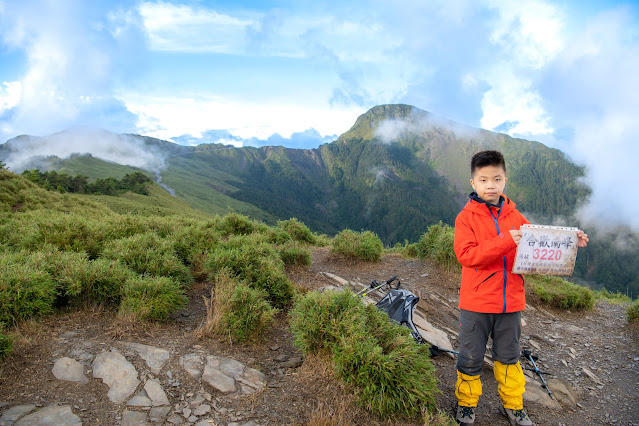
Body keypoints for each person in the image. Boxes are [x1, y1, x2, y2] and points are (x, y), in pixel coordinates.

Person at [452, 150, 588, 425]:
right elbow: (467, 256)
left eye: (496, 178)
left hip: (511, 303)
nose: (490, 185)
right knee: (470, 356)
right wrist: (505, 241)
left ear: (505, 180)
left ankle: (513, 405)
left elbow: (537, 246)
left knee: (509, 358)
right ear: (473, 183)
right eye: (483, 179)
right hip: (476, 303)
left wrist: (570, 242)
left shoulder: (517, 216)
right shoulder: (465, 218)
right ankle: (466, 404)